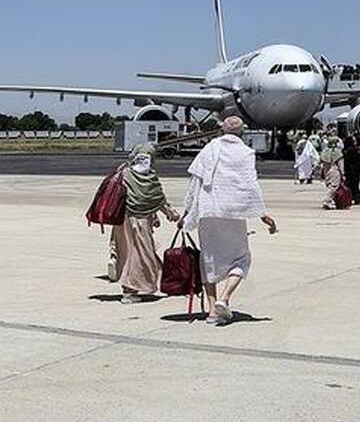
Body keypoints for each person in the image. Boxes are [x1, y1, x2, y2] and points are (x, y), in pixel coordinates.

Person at [181, 116, 277, 326]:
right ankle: (224, 299)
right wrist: (262, 214)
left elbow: (194, 182)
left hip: (208, 211)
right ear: (242, 132)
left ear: (221, 130)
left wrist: (187, 211)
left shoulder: (209, 149)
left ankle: (212, 310)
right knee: (242, 259)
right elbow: (250, 186)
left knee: (209, 260)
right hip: (233, 213)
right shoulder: (245, 153)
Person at [112, 144, 179, 304]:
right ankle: (129, 290)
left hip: (123, 221)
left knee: (132, 252)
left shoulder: (124, 173)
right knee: (141, 254)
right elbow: (157, 198)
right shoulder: (150, 177)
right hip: (140, 220)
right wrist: (171, 213)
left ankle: (164, 281)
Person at [318, 136, 345, 209]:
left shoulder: (324, 152)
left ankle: (331, 201)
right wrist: (342, 174)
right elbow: (340, 164)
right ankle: (327, 200)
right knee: (334, 187)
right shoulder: (337, 152)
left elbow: (319, 162)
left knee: (329, 186)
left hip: (326, 171)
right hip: (334, 170)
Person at [342, 134, 360, 205]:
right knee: (354, 185)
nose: (355, 142)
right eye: (354, 141)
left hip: (348, 170)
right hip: (354, 170)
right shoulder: (353, 150)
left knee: (350, 184)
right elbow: (358, 159)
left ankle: (352, 197)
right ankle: (356, 197)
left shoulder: (344, 150)